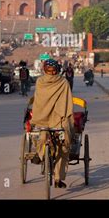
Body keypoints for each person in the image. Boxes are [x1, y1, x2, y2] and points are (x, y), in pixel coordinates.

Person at [32, 59, 74, 189]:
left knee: (41, 136)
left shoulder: (40, 81)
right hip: (59, 120)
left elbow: (38, 102)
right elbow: (66, 103)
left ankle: (40, 155)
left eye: (51, 70)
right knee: (64, 148)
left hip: (42, 119)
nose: (51, 73)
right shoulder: (63, 82)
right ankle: (58, 178)